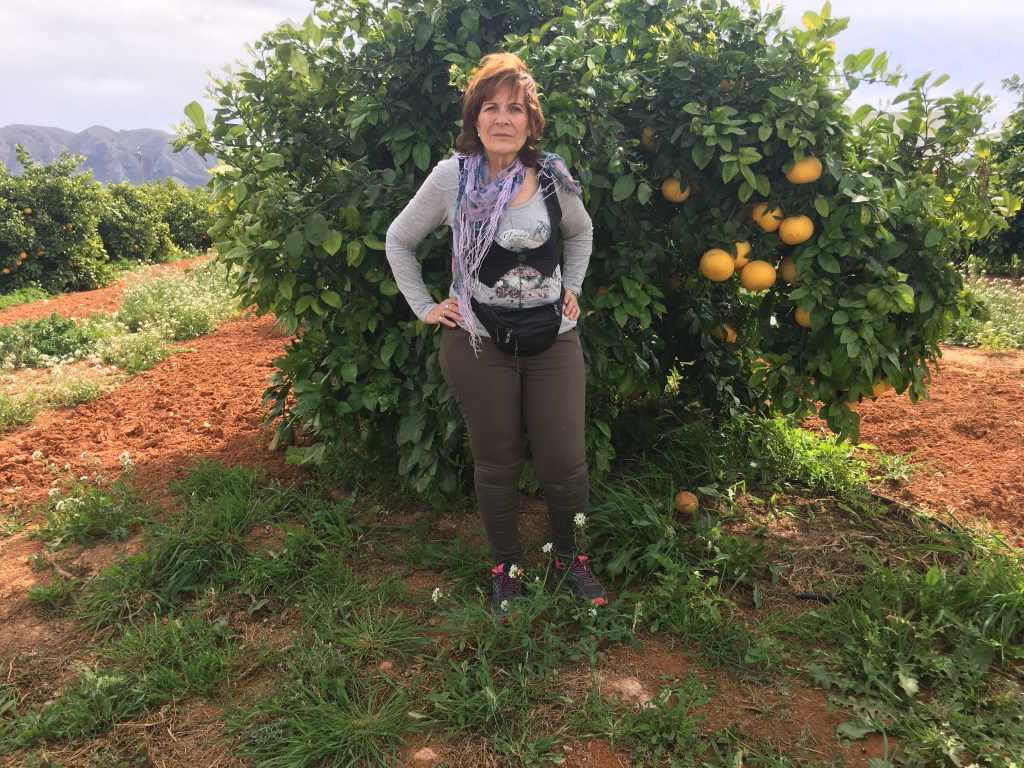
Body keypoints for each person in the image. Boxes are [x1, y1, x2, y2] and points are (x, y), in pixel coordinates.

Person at [385, 52, 608, 613]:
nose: (502, 118)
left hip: (553, 336)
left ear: (532, 123)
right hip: (477, 341)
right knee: (498, 462)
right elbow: (398, 241)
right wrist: (426, 307)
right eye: (491, 107)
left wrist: (573, 286)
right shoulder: (450, 179)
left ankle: (571, 558)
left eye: (516, 108)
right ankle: (506, 565)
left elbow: (580, 237)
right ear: (475, 118)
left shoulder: (555, 178)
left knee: (564, 461)